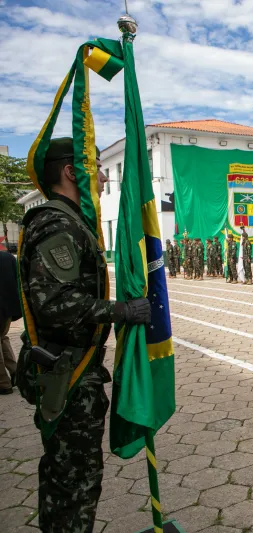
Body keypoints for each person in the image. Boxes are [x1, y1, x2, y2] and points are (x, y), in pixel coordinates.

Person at [16, 137, 151, 532]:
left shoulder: (71, 221)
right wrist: (121, 311)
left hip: (74, 366)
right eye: (96, 167)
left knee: (68, 479)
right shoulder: (58, 223)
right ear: (71, 172)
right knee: (74, 483)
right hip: (68, 372)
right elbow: (55, 303)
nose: (106, 177)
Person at [0, 250, 22, 394]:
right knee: (2, 337)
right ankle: (16, 374)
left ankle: (3, 382)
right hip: (8, 309)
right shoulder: (8, 257)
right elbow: (18, 281)